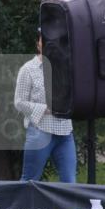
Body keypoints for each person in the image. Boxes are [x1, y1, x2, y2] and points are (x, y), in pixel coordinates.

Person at [14, 28, 76, 182]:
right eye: (44, 40)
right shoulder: (28, 69)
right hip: (40, 131)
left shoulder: (66, 67)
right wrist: (45, 109)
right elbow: (19, 102)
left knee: (70, 182)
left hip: (65, 131)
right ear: (38, 44)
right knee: (30, 181)